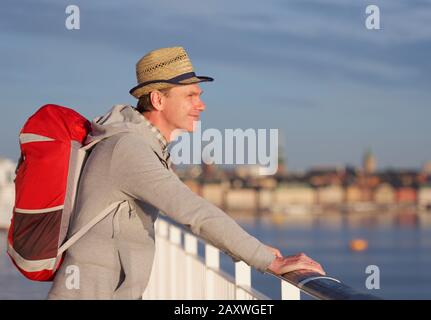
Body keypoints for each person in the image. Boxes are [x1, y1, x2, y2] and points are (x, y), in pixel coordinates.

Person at [48, 46, 325, 300]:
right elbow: (194, 212)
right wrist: (268, 261)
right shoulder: (128, 148)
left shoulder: (145, 147)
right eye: (190, 96)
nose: (201, 105)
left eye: (199, 96)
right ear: (158, 99)